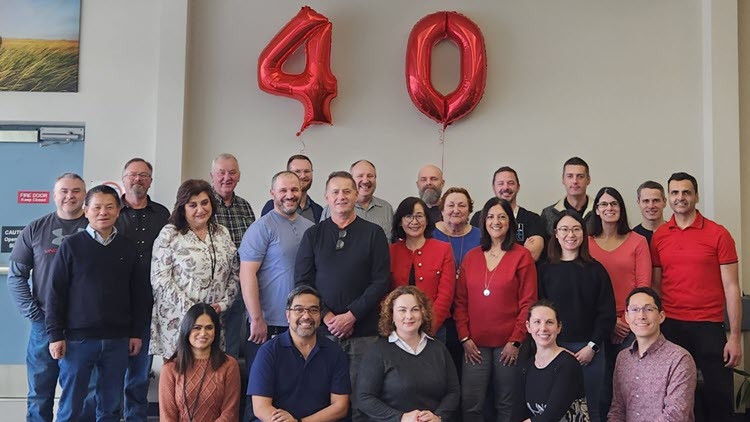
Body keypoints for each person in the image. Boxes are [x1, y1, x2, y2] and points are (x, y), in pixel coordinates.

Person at [45, 185, 148, 422]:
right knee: (71, 406)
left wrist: (136, 333)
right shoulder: (71, 246)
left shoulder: (127, 247)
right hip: (77, 340)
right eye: (97, 207)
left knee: (111, 407)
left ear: (118, 211)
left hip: (117, 340)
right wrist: (55, 335)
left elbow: (139, 294)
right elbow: (56, 293)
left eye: (109, 207)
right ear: (86, 211)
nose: (103, 212)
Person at [295, 171, 390, 421]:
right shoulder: (313, 235)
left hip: (364, 334)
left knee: (362, 400)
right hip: (322, 334)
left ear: (356, 195)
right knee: (321, 399)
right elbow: (303, 282)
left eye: (347, 191)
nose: (341, 197)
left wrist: (352, 315)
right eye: (335, 192)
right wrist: (327, 317)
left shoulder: (374, 234)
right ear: (326, 197)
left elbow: (381, 281)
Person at [651, 172, 741, 422]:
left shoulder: (718, 234)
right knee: (674, 399)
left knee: (717, 398)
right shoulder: (659, 236)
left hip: (709, 326)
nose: (680, 198)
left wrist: (734, 337)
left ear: (696, 196)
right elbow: (656, 286)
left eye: (686, 192)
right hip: (670, 326)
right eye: (675, 193)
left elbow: (732, 287)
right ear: (668, 198)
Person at [8, 173, 88, 422]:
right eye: (64, 191)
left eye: (76, 191)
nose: (70, 196)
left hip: (84, 328)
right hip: (44, 326)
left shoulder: (97, 228)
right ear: (55, 195)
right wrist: (35, 314)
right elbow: (16, 277)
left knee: (80, 396)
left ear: (84, 195)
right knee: (40, 394)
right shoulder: (35, 229)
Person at [454, 197, 537, 422]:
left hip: (509, 346)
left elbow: (528, 303)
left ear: (510, 222)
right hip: (474, 346)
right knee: (471, 403)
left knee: (507, 405)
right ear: (483, 222)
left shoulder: (522, 256)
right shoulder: (471, 257)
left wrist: (517, 340)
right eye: (490, 216)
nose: (496, 221)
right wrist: (464, 337)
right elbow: (460, 302)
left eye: (502, 216)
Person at [239, 171, 314, 420]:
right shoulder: (261, 228)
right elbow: (247, 274)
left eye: (294, 190)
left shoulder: (311, 228)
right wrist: (256, 318)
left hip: (301, 325)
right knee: (260, 391)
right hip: (267, 325)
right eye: (283, 190)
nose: (289, 195)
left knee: (293, 390)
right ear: (272, 194)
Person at [538, 211, 616, 422]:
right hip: (554, 350)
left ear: (583, 234)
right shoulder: (545, 270)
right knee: (554, 409)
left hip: (589, 351)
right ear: (555, 233)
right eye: (564, 229)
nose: (570, 234)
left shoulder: (596, 270)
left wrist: (592, 347)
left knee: (592, 408)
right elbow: (540, 313)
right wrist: (553, 347)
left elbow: (606, 314)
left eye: (576, 229)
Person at [150, 179, 240, 359]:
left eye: (205, 203)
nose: (200, 209)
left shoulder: (221, 232)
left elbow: (235, 273)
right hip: (180, 322)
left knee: (210, 379)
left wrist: (222, 305)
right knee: (178, 381)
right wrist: (195, 312)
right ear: (182, 208)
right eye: (193, 205)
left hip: (214, 321)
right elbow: (160, 280)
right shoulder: (170, 234)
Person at [116, 158, 170, 421]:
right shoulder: (109, 210)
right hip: (111, 306)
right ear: (123, 178)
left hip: (148, 305)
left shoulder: (163, 215)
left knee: (138, 375)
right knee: (107, 376)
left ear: (151, 180)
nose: (138, 179)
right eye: (132, 175)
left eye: (144, 175)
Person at [357, 286, 460, 421]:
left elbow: (453, 391)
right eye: (402, 310)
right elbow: (364, 398)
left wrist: (438, 416)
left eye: (415, 309)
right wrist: (401, 418)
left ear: (423, 314)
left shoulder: (439, 349)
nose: (409, 316)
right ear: (391, 315)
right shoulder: (377, 351)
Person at [249, 285, 351, 421]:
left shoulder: (335, 352)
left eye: (313, 310)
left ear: (320, 316)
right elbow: (261, 407)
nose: (306, 316)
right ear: (287, 315)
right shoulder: (269, 351)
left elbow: (340, 407)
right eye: (299, 310)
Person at [608, 287, 697, 422]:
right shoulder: (623, 358)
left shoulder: (679, 359)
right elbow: (617, 410)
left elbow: (675, 416)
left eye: (649, 309)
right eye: (634, 310)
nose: (641, 316)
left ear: (661, 316)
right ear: (626, 317)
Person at [588, 186, 650, 350]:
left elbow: (643, 286)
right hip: (594, 321)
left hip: (630, 322)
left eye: (614, 204)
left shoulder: (638, 241)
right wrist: (609, 320)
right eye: (604, 204)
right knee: (600, 375)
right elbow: (584, 287)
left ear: (621, 209)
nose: (609, 208)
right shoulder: (585, 243)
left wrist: (624, 320)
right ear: (596, 210)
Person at [159, 303, 241, 421]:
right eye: (197, 327)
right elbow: (167, 417)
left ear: (215, 331)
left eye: (209, 327)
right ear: (187, 330)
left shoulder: (229, 365)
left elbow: (230, 414)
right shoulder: (170, 368)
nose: (203, 333)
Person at [513, 300, 589, 422]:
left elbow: (551, 416)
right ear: (528, 326)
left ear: (559, 327)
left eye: (549, 322)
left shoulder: (568, 364)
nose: (543, 328)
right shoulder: (525, 366)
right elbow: (517, 411)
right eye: (537, 322)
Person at [389, 197, 455, 337]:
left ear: (427, 220)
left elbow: (446, 295)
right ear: (400, 221)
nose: (414, 222)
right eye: (408, 216)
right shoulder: (391, 252)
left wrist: (430, 326)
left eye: (419, 216)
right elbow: (386, 293)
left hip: (434, 329)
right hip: (398, 329)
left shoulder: (443, 249)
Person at [210, 152, 255, 358]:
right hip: (212, 290)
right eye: (221, 173)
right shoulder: (203, 205)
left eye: (232, 172)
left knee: (232, 349)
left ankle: (229, 389)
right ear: (212, 175)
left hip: (239, 289)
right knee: (207, 346)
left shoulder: (245, 206)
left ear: (239, 176)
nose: (226, 178)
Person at [470, 166, 546, 261]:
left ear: (518, 187)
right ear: (493, 188)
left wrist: (493, 256)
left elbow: (530, 257)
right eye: (500, 184)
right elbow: (475, 254)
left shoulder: (533, 219)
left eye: (510, 183)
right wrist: (521, 250)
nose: (505, 187)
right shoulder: (479, 217)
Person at [321, 159, 394, 241]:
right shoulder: (332, 209)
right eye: (360, 176)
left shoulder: (386, 208)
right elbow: (323, 240)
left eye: (370, 176)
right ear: (351, 180)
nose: (365, 180)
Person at [260, 154, 323, 223]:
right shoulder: (271, 207)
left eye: (307, 171)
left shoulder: (318, 211)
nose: (303, 176)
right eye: (297, 171)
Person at [541, 157, 595, 237]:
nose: (575, 181)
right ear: (563, 179)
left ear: (588, 180)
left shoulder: (600, 212)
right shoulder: (548, 214)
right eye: (570, 176)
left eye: (580, 176)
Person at [432, 187, 481, 269]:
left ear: (469, 211)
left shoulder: (480, 236)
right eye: (451, 205)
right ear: (442, 210)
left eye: (461, 206)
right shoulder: (430, 234)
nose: (456, 210)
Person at [632, 180, 667, 245]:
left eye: (656, 200)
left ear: (664, 202)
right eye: (646, 201)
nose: (651, 206)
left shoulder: (675, 233)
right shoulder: (631, 238)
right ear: (638, 203)